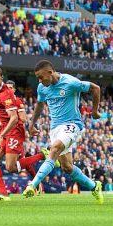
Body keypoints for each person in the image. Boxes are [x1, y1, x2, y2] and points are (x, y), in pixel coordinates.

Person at [22, 60, 104, 204]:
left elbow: (95, 88)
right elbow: (40, 104)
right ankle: (94, 186)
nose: (39, 81)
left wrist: (95, 110)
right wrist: (32, 124)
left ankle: (32, 185)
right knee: (67, 167)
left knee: (54, 148)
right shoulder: (42, 87)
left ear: (50, 72)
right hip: (55, 129)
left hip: (72, 124)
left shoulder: (70, 82)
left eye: (41, 77)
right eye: (38, 78)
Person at [0, 67, 25, 201]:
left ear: (2, 77)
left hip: (13, 130)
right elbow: (5, 118)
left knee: (11, 167)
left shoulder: (5, 94)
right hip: (5, 129)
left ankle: (41, 155)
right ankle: (2, 193)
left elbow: (14, 119)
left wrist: (2, 134)